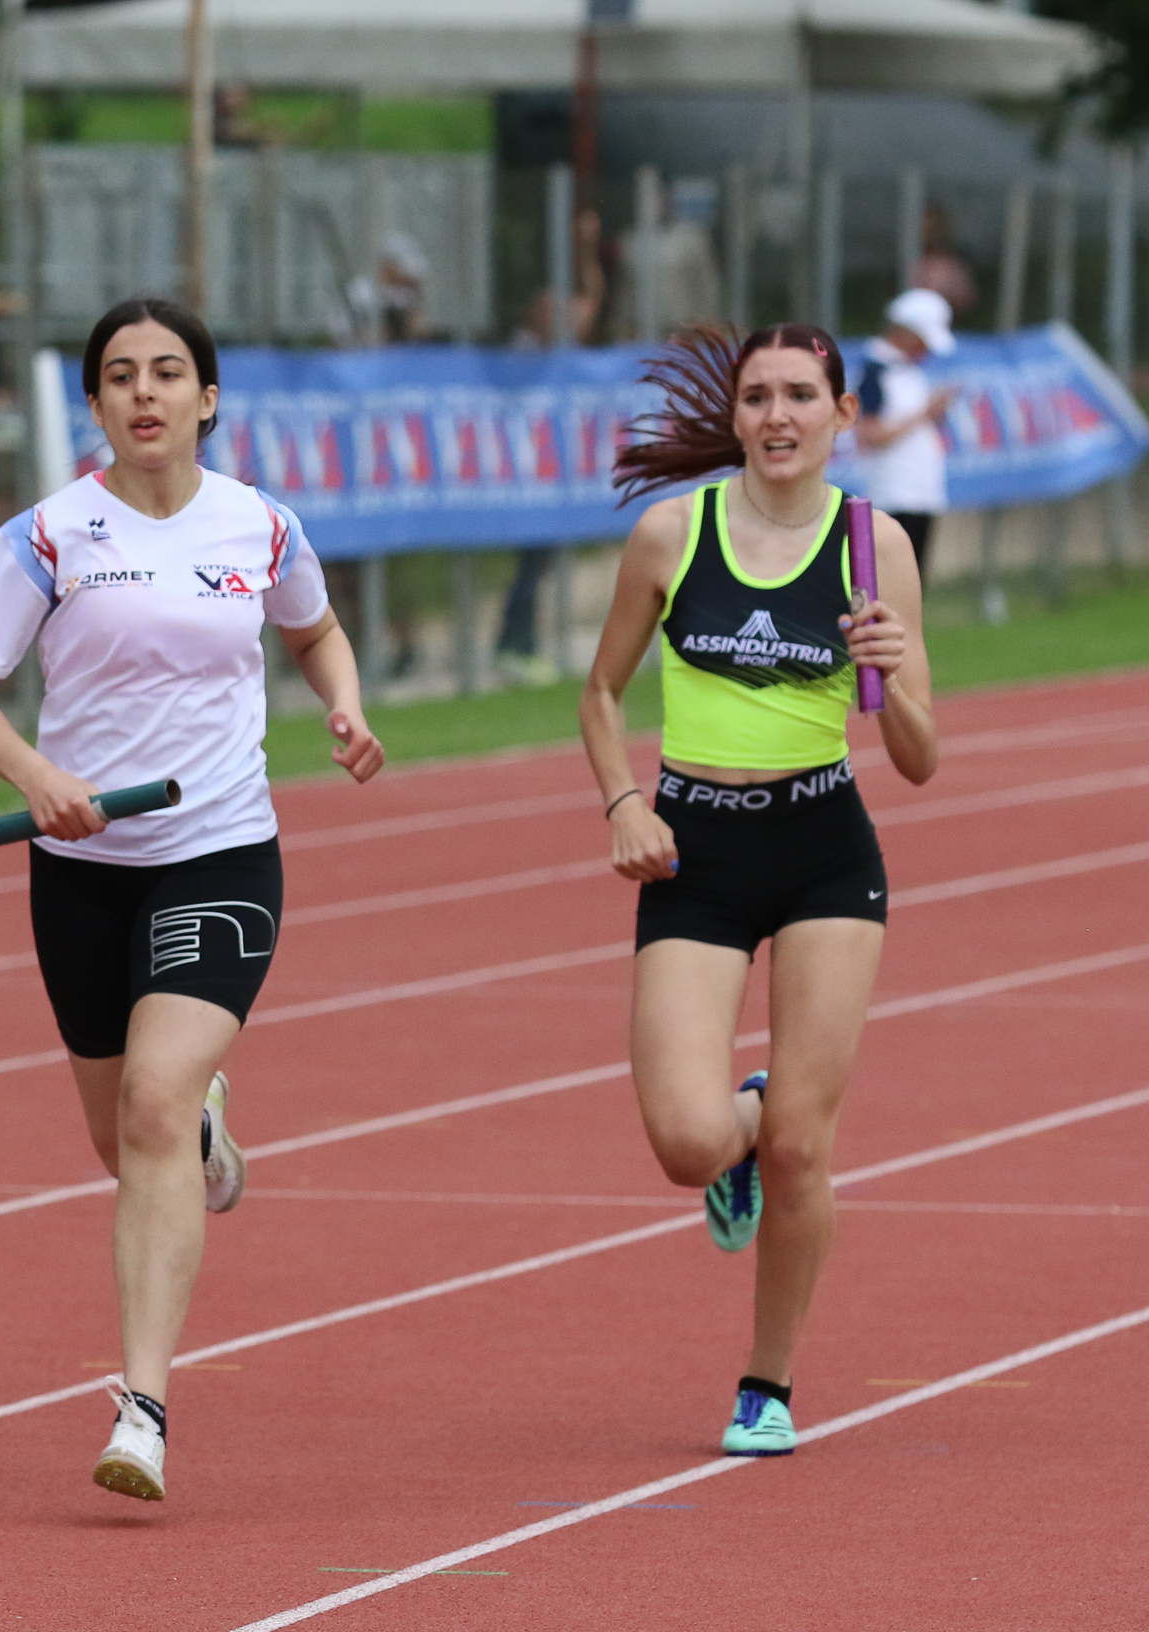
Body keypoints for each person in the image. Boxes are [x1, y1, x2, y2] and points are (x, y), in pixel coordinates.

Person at [0, 296, 386, 1504]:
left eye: (169, 371)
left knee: (149, 1100)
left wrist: (344, 702)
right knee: (125, 1142)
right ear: (94, 403)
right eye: (122, 375)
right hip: (81, 868)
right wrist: (40, 777)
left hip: (220, 852)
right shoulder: (47, 535)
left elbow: (316, 633)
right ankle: (202, 1129)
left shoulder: (261, 525)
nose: (146, 392)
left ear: (208, 397)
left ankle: (142, 1407)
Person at [574, 322, 940, 1459]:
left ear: (842, 415)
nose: (779, 416)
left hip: (825, 850)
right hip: (698, 853)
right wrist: (624, 803)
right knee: (690, 1142)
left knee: (802, 1148)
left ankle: (765, 1384)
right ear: (735, 417)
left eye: (801, 396)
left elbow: (920, 756)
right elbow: (601, 691)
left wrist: (892, 674)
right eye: (758, 397)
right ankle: (746, 1118)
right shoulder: (671, 535)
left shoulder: (874, 548)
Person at [495, 206, 608, 685]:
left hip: (550, 472)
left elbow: (592, 300)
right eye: (551, 308)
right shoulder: (522, 353)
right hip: (524, 473)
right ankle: (514, 644)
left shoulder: (557, 350)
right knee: (530, 560)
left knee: (538, 561)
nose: (562, 314)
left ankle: (520, 643)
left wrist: (586, 248)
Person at [850, 288, 957, 579]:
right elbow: (869, 435)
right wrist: (925, 413)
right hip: (894, 496)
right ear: (907, 333)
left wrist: (933, 414)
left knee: (915, 580)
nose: (927, 351)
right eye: (924, 341)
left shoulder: (909, 372)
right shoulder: (875, 372)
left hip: (920, 495)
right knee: (894, 581)